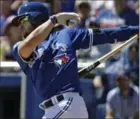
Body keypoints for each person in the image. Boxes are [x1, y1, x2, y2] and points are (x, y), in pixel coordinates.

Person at [11, 2, 138, 119]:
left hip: (67, 104)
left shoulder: (66, 35)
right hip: (54, 108)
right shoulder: (19, 47)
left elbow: (106, 34)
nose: (20, 26)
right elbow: (28, 45)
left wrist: (135, 30)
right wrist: (53, 20)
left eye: (24, 19)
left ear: (37, 18)